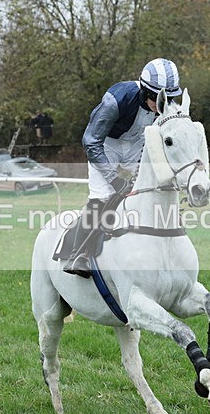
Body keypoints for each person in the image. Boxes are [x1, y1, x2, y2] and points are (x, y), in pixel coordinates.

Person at [64, 58, 182, 277]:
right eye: (158, 98)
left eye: (168, 98)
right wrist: (114, 178)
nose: (163, 104)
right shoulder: (116, 100)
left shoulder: (164, 106)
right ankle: (78, 254)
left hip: (138, 143)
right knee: (103, 197)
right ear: (145, 92)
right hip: (105, 145)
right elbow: (90, 141)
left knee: (149, 189)